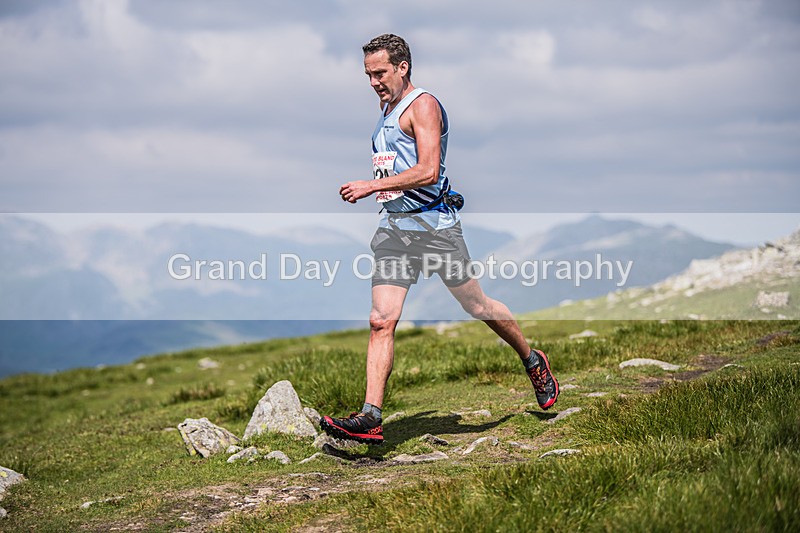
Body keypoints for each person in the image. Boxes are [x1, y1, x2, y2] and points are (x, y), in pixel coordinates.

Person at [320, 34, 558, 445]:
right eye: (368, 75)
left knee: (478, 306)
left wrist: (369, 186)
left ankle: (532, 359)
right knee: (380, 321)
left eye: (380, 73)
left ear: (402, 67)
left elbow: (429, 170)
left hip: (435, 229)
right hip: (395, 230)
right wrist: (383, 192)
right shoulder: (386, 107)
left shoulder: (424, 106)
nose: (373, 82)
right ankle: (371, 417)